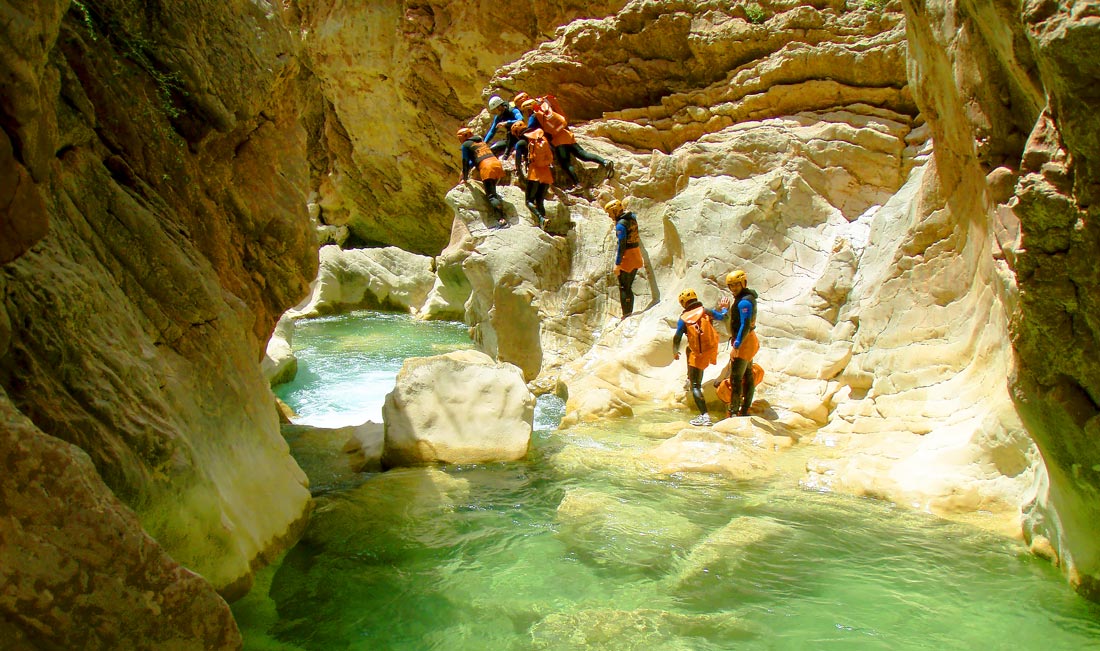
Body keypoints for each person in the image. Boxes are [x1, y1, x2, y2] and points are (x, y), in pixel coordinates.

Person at [522, 98, 614, 186]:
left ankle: (577, 184)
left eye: (526, 111)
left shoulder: (534, 116)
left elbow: (531, 130)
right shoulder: (547, 110)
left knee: (565, 163)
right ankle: (605, 162)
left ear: (529, 109)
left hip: (558, 140)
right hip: (566, 134)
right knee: (583, 154)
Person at [673, 288, 728, 426]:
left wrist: (674, 351)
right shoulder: (705, 311)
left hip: (698, 354)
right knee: (688, 350)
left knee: (696, 386)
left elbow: (677, 336)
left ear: (683, 304)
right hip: (710, 349)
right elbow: (722, 317)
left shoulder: (683, 319)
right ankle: (688, 377)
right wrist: (725, 309)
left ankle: (704, 416)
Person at [712, 270, 760, 417]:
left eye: (736, 285)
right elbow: (731, 320)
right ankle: (744, 409)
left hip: (745, 341)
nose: (733, 288)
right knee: (747, 374)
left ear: (743, 283)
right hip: (748, 340)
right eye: (731, 286)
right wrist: (725, 310)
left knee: (736, 378)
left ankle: (735, 411)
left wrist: (738, 343)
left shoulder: (744, 301)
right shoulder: (744, 298)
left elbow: (745, 324)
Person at [457, 126, 508, 229]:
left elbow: (465, 162)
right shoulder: (480, 141)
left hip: (486, 167)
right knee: (493, 191)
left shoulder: (466, 145)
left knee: (491, 196)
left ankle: (501, 220)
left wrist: (465, 178)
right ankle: (500, 211)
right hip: (496, 164)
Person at [511, 121, 554, 227]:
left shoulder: (521, 143)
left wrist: (521, 175)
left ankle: (540, 218)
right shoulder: (541, 138)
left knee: (529, 201)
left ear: (516, 133)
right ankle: (543, 223)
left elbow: (518, 163)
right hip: (546, 173)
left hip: (534, 173)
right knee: (540, 200)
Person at [604, 199, 643, 317]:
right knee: (628, 286)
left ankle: (626, 314)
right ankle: (628, 312)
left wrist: (618, 263)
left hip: (628, 256)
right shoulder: (632, 217)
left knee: (623, 287)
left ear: (615, 211)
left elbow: (622, 244)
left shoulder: (621, 225)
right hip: (636, 253)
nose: (609, 216)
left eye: (610, 213)